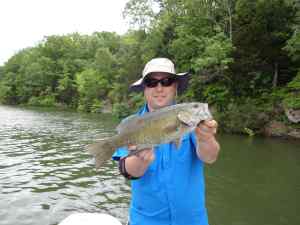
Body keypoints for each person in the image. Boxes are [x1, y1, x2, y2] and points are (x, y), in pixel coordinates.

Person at [112, 58, 220, 225]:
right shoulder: (132, 123)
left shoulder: (192, 123)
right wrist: (140, 160)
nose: (159, 88)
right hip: (146, 220)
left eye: (166, 81)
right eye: (151, 82)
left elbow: (210, 157)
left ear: (175, 86)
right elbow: (126, 171)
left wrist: (206, 138)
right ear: (144, 88)